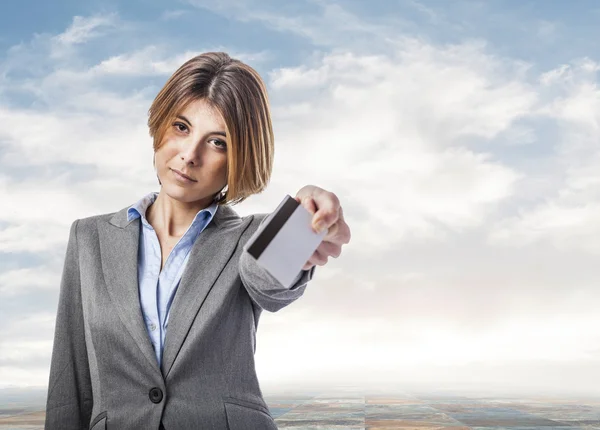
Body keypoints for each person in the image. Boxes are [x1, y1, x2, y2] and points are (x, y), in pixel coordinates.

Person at [44, 51, 351, 429]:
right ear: (160, 127)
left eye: (218, 142)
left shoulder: (251, 238)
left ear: (241, 158)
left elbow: (269, 283)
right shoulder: (88, 238)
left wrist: (305, 217)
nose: (190, 156)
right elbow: (70, 381)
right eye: (181, 127)